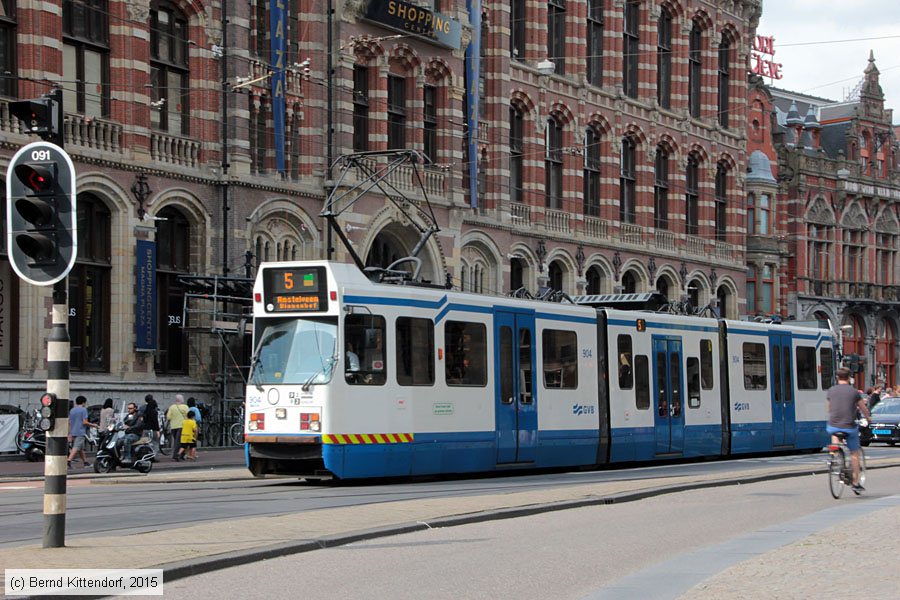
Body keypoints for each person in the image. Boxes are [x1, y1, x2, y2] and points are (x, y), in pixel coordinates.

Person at [826, 367, 871, 493]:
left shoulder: (831, 391)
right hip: (849, 426)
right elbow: (863, 408)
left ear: (837, 377)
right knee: (854, 454)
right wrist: (869, 418)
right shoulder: (854, 392)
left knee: (835, 436)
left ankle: (836, 456)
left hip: (833, 425)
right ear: (850, 378)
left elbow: (829, 409)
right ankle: (855, 483)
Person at [67, 396, 97, 468]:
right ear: (83, 402)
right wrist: (94, 425)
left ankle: (85, 462)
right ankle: (68, 461)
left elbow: (69, 422)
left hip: (73, 431)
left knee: (80, 448)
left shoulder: (72, 410)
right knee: (76, 447)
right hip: (80, 431)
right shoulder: (83, 410)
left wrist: (69, 433)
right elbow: (85, 422)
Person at [165, 394, 189, 460]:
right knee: (180, 441)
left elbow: (168, 417)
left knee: (177, 440)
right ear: (181, 400)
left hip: (173, 427)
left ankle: (182, 454)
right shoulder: (185, 407)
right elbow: (188, 416)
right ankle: (176, 455)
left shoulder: (172, 407)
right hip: (182, 426)